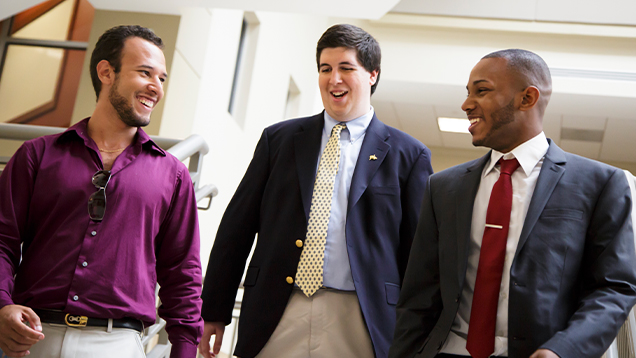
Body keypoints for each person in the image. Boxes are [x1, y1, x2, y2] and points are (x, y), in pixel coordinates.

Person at [198, 24, 433, 358]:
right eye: (326, 69)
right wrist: (215, 310)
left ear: (372, 75)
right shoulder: (278, 141)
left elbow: (419, 253)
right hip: (278, 311)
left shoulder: (409, 155)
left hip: (363, 319)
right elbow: (237, 228)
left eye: (346, 68)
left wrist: (418, 333)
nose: (333, 79)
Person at [390, 48, 636, 358]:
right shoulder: (443, 187)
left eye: (482, 91)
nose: (466, 104)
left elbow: (615, 288)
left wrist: (562, 350)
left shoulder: (601, 183)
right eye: (468, 93)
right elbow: (418, 296)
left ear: (527, 98)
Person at [0, 25, 203, 358]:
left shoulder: (174, 175)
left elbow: (183, 271)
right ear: (107, 72)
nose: (156, 87)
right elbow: (3, 239)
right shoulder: (36, 155)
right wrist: (1, 305)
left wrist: (184, 350)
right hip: (32, 337)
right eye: (145, 73)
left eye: (162, 78)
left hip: (116, 344)